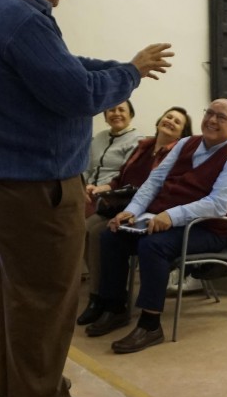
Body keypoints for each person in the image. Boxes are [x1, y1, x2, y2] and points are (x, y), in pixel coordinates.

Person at [0, 0, 172, 397]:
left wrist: (120, 67)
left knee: (16, 289)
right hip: (38, 180)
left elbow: (65, 68)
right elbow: (77, 94)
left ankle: (18, 388)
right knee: (47, 294)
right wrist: (132, 73)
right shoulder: (25, 18)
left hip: (2, 171)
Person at [85, 99, 227, 354]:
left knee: (153, 245)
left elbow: (217, 205)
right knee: (112, 235)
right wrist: (130, 211)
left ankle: (150, 324)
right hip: (164, 218)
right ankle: (115, 307)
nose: (212, 120)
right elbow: (155, 180)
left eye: (221, 117)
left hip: (208, 230)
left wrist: (170, 216)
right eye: (209, 113)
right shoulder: (187, 143)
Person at [78, 107, 190, 325]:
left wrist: (133, 208)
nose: (170, 121)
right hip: (123, 202)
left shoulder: (176, 154)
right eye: (168, 116)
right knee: (84, 227)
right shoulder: (145, 146)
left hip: (145, 209)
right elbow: (122, 177)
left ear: (182, 133)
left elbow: (160, 189)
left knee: (99, 231)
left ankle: (102, 298)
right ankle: (98, 296)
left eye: (177, 122)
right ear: (159, 120)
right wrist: (106, 187)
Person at [83, 101, 139, 212]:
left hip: (110, 195)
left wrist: (99, 189)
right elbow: (86, 167)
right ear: (105, 117)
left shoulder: (137, 140)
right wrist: (81, 187)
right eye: (111, 110)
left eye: (121, 110)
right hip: (86, 191)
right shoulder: (99, 136)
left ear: (131, 115)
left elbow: (125, 177)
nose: (116, 113)